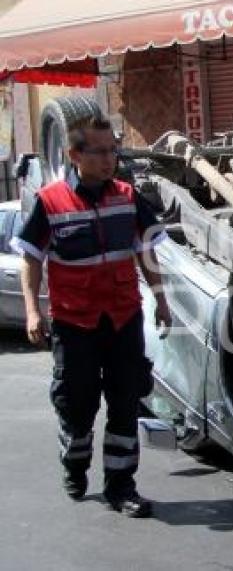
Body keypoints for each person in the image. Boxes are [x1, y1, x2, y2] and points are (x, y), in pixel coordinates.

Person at [11, 115, 171, 518]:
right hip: (74, 323)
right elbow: (30, 259)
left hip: (122, 319)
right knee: (77, 405)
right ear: (74, 155)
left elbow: (146, 251)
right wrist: (33, 310)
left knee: (125, 402)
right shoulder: (49, 202)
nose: (108, 159)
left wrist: (161, 298)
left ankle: (122, 487)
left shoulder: (128, 197)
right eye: (98, 151)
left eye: (112, 150)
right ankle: (74, 461)